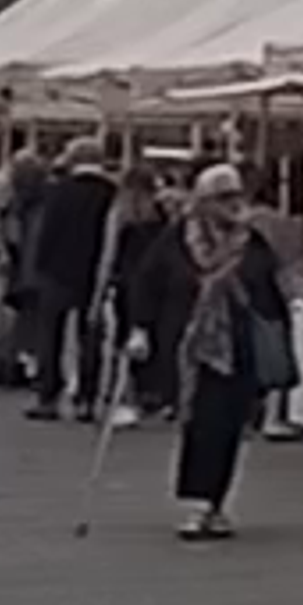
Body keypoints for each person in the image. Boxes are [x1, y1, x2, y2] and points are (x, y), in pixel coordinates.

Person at [168, 178, 296, 536]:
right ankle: (197, 502)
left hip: (240, 346)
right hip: (197, 346)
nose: (232, 205)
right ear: (205, 200)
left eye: (235, 197)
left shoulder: (251, 241)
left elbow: (269, 285)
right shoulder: (183, 238)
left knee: (229, 428)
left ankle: (217, 501)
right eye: (223, 198)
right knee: (201, 424)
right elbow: (153, 279)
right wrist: (141, 326)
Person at [22, 137, 117, 418]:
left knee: (50, 335)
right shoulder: (111, 192)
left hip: (57, 270)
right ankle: (87, 398)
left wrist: (39, 266)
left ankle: (48, 396)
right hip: (94, 271)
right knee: (90, 337)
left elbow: (46, 231)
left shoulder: (58, 191)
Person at [105, 163, 192, 423]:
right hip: (162, 283)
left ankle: (131, 397)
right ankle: (161, 394)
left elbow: (110, 252)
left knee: (128, 338)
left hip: (128, 282)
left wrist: (103, 285)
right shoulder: (164, 212)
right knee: (162, 339)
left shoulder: (122, 215)